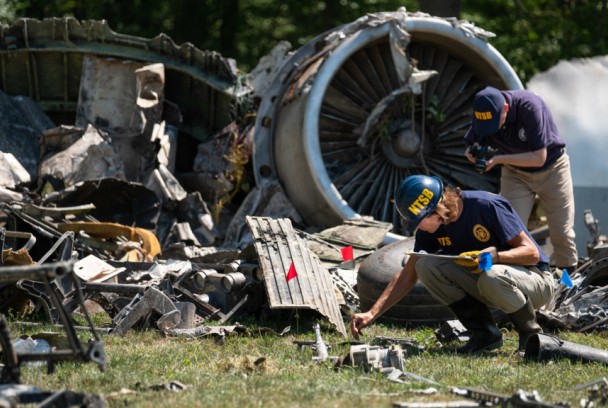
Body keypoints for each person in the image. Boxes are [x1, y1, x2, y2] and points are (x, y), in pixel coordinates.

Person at [350, 175, 554, 353]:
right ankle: (485, 334)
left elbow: (532, 254)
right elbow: (408, 274)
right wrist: (372, 313)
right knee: (425, 266)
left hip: (535, 280)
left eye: (418, 221)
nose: (417, 228)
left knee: (491, 275)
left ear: (435, 211)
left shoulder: (485, 205)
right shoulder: (431, 230)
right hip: (493, 283)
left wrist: (494, 257)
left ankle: (531, 335)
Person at [464, 86, 578, 273]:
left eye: (494, 122)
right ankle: (522, 281)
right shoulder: (484, 115)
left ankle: (569, 283)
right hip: (516, 173)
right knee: (509, 230)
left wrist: (498, 159)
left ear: (506, 109)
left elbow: (538, 157)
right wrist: (473, 152)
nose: (490, 129)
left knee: (562, 233)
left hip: (552, 168)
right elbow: (470, 144)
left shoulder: (530, 107)